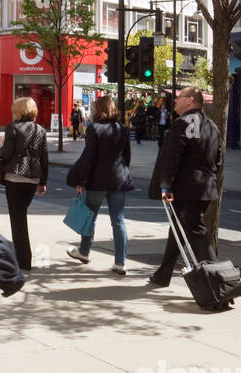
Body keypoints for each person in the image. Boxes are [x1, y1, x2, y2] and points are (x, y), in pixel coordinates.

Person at [148, 86, 220, 287]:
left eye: (179, 98)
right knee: (178, 229)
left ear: (191, 101)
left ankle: (216, 280)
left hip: (186, 188)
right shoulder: (212, 126)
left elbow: (173, 157)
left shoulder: (182, 124)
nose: (176, 101)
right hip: (206, 188)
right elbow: (218, 159)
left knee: (195, 230)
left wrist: (166, 185)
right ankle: (163, 274)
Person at [66, 94, 134, 274]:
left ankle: (84, 251)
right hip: (119, 178)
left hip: (97, 180)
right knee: (118, 220)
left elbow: (89, 157)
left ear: (100, 109)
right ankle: (121, 262)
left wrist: (82, 181)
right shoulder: (121, 128)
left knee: (90, 216)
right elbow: (127, 155)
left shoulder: (94, 128)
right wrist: (123, 170)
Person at [0, 96, 48, 271]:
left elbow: (7, 153)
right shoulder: (40, 130)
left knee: (17, 219)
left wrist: (1, 147)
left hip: (15, 177)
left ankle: (23, 259)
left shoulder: (13, 128)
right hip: (33, 178)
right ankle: (23, 257)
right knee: (21, 216)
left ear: (18, 111)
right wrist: (43, 182)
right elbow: (44, 158)